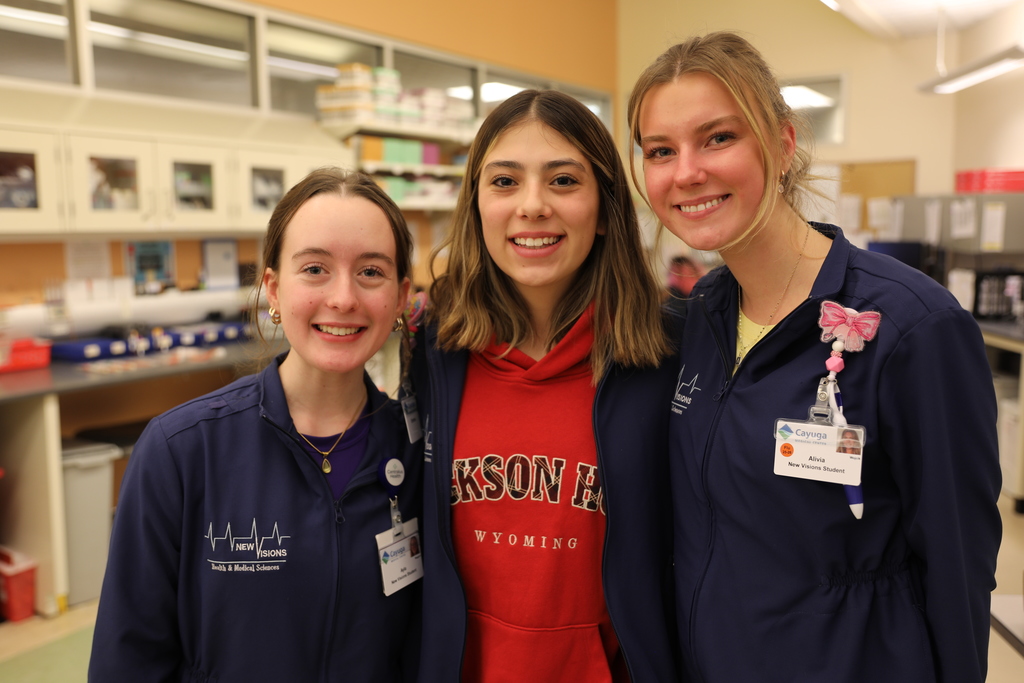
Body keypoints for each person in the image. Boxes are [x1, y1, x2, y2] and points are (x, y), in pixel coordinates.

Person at [628, 31, 1001, 683]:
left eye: (718, 137)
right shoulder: (703, 317)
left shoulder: (912, 328)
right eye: (661, 150)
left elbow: (957, 562)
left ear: (782, 142)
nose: (686, 171)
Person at [89, 168, 422, 682]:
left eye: (371, 272)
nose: (343, 299)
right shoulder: (181, 451)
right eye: (314, 269)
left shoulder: (419, 454)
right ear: (273, 288)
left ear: (401, 298)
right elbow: (128, 660)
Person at [410, 89, 679, 682]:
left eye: (563, 181)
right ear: (476, 204)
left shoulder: (667, 357)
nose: (531, 206)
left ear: (606, 209)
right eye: (504, 182)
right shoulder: (436, 344)